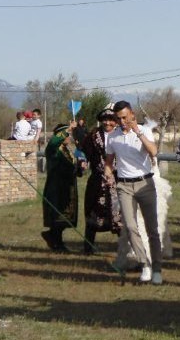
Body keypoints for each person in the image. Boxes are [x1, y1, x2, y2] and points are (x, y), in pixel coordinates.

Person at [104, 100, 163, 285]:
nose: (122, 121)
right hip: (124, 186)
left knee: (152, 229)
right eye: (118, 118)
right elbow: (109, 161)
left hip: (145, 183)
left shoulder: (144, 131)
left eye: (124, 117)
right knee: (130, 227)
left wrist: (138, 132)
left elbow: (153, 152)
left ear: (132, 115)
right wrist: (108, 173)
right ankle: (144, 264)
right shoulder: (112, 137)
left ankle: (157, 269)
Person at [79, 106, 122, 254]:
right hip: (97, 180)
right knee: (93, 212)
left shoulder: (121, 135)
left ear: (116, 121)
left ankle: (124, 248)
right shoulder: (93, 136)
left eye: (111, 119)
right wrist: (82, 161)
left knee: (120, 213)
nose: (107, 122)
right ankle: (88, 248)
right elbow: (82, 152)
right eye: (104, 119)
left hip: (118, 180)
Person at [40, 122, 81, 252]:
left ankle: (53, 237)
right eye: (67, 135)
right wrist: (67, 129)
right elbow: (53, 143)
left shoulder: (67, 150)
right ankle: (57, 243)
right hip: (56, 187)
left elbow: (71, 166)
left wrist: (79, 168)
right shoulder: (53, 150)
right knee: (58, 216)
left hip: (68, 187)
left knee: (66, 217)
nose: (69, 137)